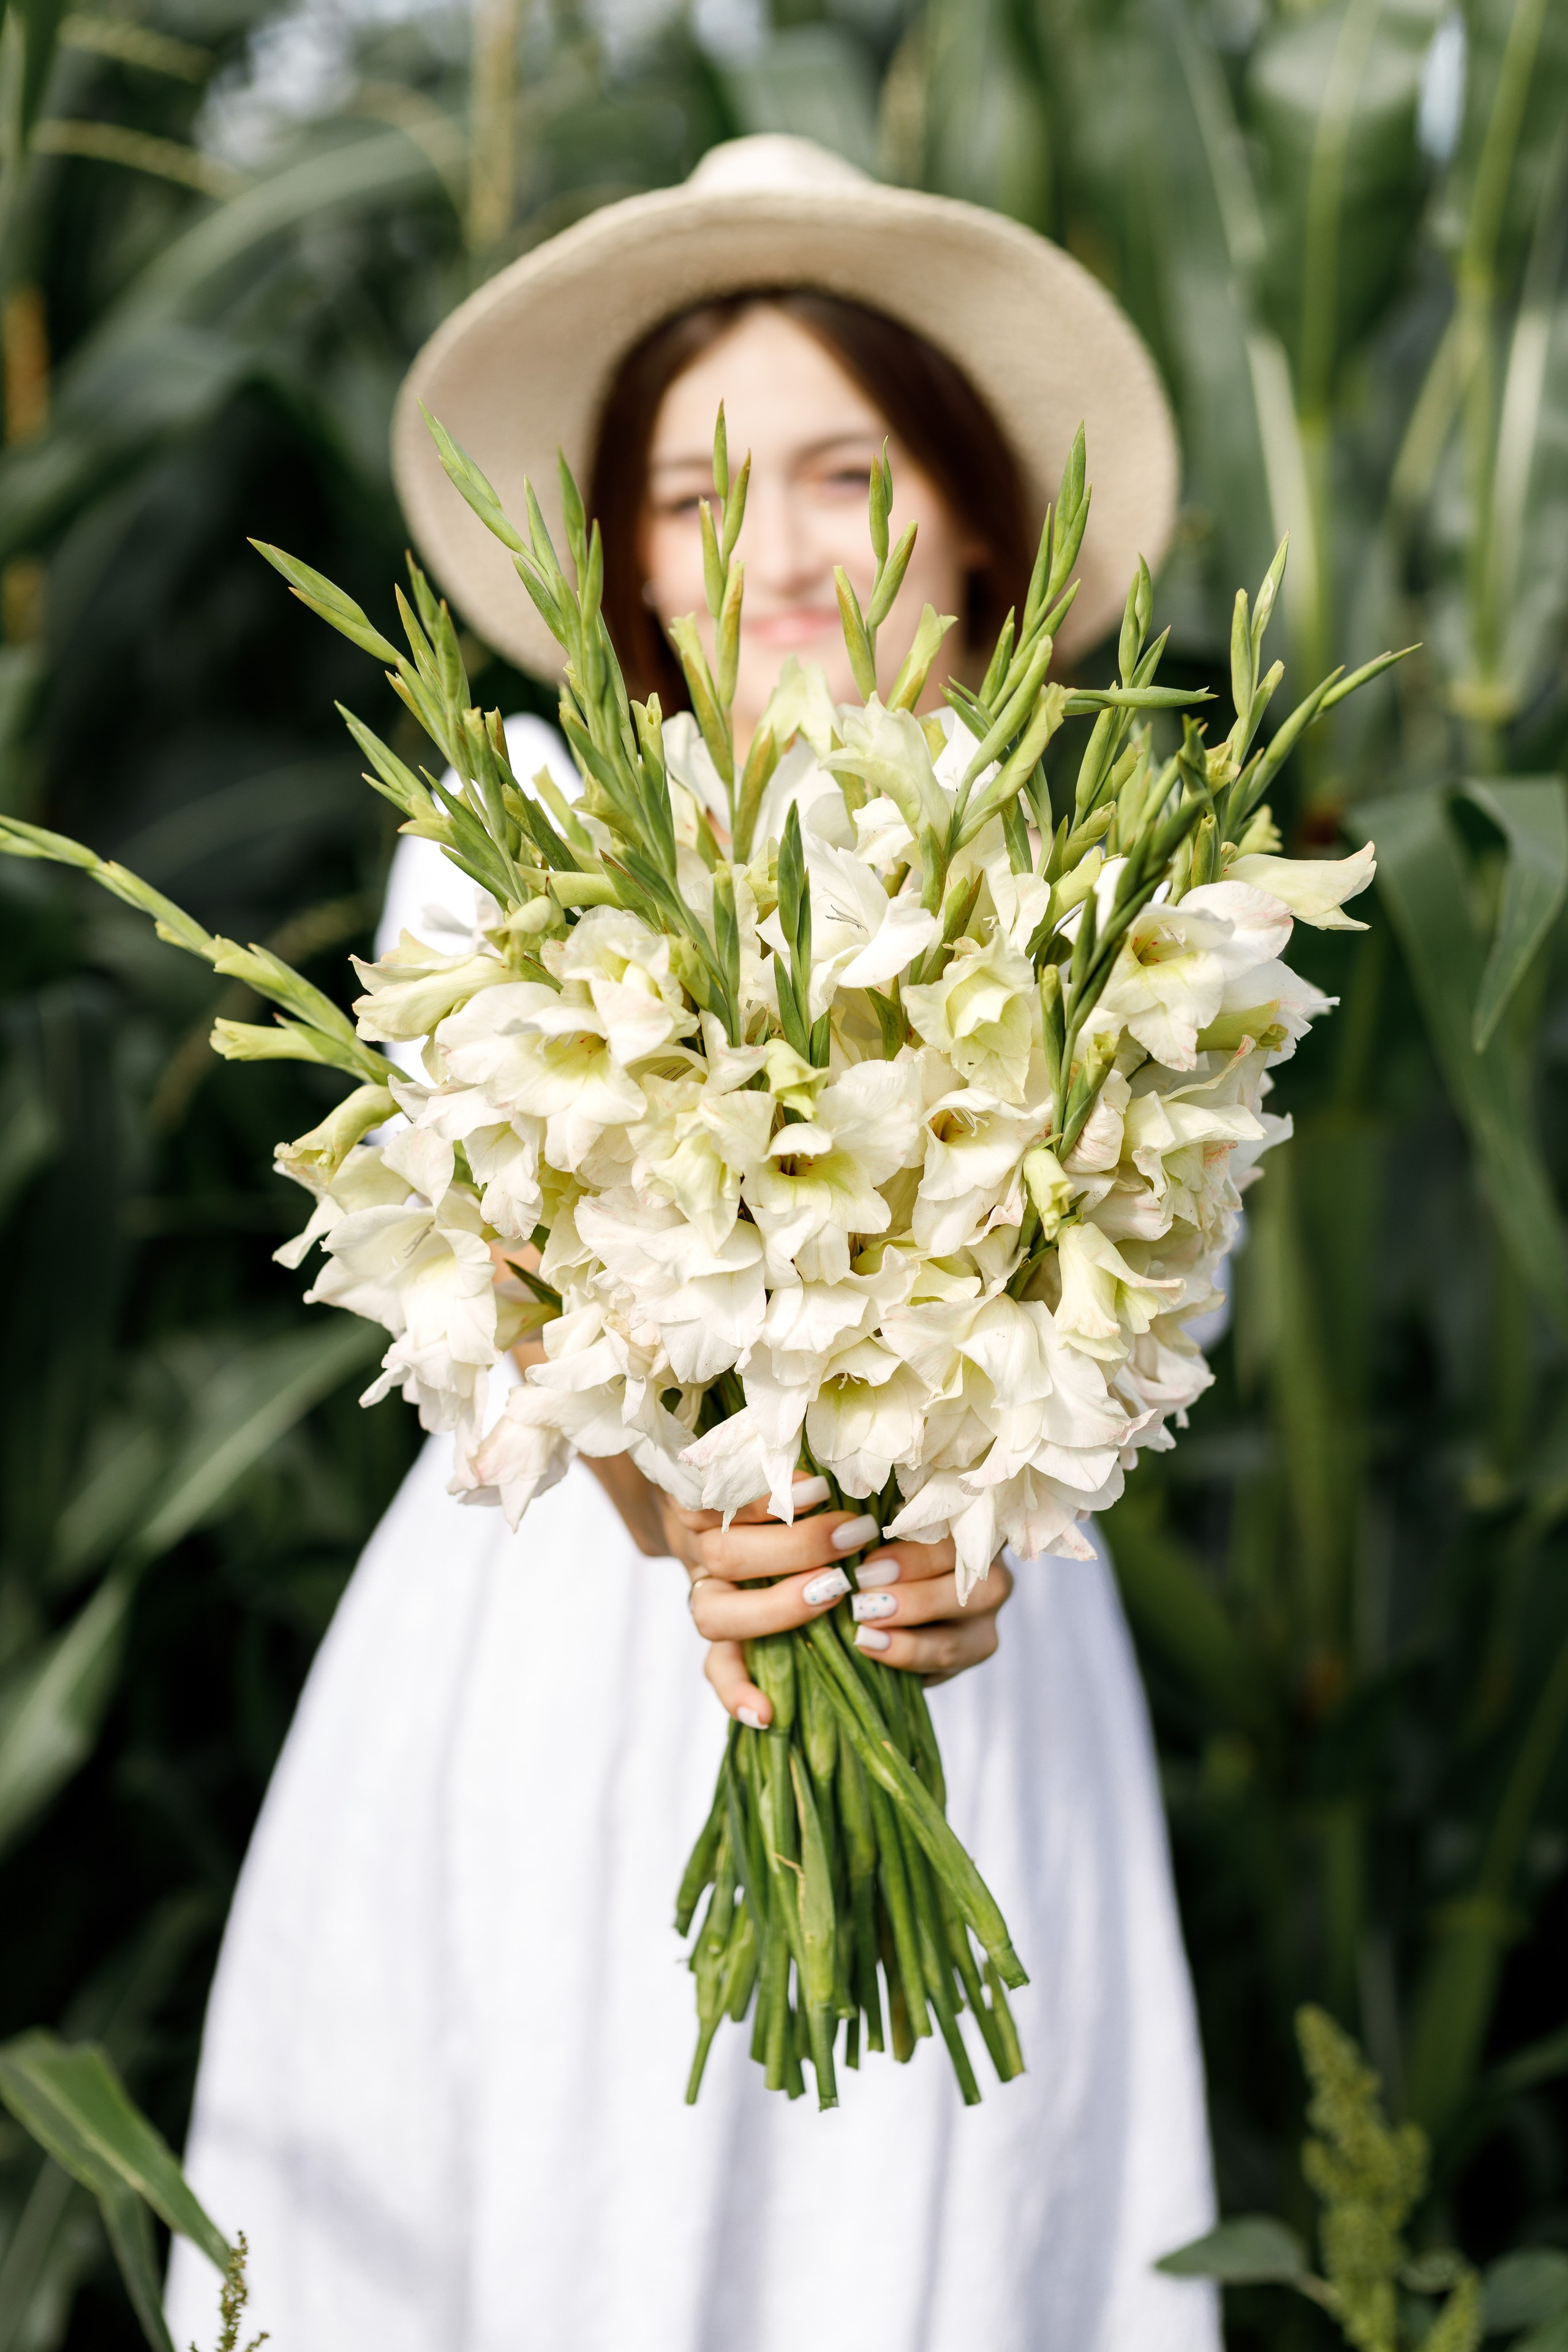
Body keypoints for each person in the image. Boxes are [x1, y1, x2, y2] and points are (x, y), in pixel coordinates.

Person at [167, 135, 1220, 2352]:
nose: (783, 548)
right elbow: (513, 1308)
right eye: (695, 491)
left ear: (966, 501)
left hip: (981, 1660)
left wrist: (984, 1532)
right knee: (568, 2192)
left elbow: (1144, 1304)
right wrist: (684, 1519)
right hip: (570, 1671)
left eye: (845, 470)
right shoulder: (518, 845)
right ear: (631, 562)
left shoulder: (1121, 889)